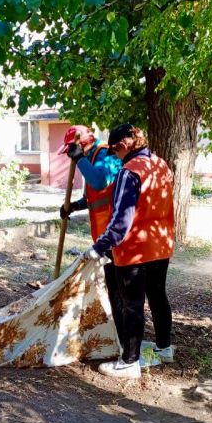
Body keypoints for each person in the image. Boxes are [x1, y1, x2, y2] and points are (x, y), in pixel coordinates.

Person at [85, 124, 175, 379]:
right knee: (158, 296)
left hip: (135, 249)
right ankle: (164, 348)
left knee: (131, 303)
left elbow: (121, 221)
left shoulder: (129, 172)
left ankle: (129, 362)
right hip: (161, 243)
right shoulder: (160, 164)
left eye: (114, 151)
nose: (115, 157)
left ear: (122, 145)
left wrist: (99, 247)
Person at [56, 124, 123, 336]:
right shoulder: (92, 158)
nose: (69, 156)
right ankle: (117, 330)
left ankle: (123, 335)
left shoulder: (105, 154)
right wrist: (74, 206)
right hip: (104, 234)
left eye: (70, 151)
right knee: (112, 286)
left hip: (117, 233)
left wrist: (80, 159)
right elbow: (91, 196)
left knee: (119, 288)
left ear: (80, 145)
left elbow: (100, 181)